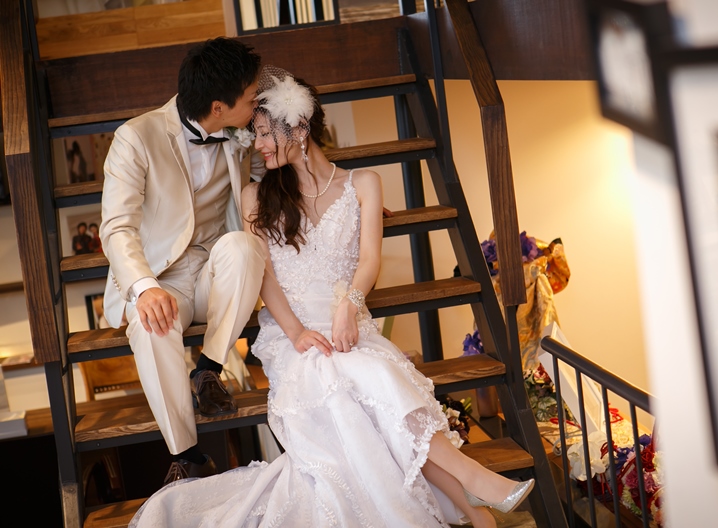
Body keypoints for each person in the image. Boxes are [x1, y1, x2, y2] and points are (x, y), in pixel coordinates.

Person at [130, 66, 533, 528]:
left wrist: (349, 305)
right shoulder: (255, 196)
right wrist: (298, 333)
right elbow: (265, 278)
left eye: (265, 134)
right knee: (365, 379)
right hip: (292, 337)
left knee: (372, 379)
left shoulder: (364, 184)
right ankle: (476, 488)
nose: (258, 145)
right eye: (254, 134)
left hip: (349, 325)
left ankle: (478, 513)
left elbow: (369, 261)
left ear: (299, 128)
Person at [100, 38, 267, 485]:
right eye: (251, 98)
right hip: (162, 278)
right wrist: (144, 288)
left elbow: (273, 178)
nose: (257, 104)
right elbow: (116, 227)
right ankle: (187, 454)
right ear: (218, 107)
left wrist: (331, 200)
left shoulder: (241, 133)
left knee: (245, 247)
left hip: (214, 271)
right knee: (148, 324)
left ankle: (208, 370)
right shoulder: (136, 137)